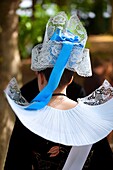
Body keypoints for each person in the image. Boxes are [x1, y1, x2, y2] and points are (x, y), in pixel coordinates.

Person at [4, 12, 113, 170]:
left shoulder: (28, 120)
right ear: (71, 79)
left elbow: (14, 165)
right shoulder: (92, 121)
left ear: (40, 77)